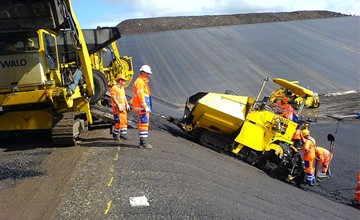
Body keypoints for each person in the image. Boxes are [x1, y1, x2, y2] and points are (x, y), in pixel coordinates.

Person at [132, 65, 153, 149]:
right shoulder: (140, 82)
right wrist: (144, 106)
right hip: (142, 107)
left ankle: (142, 142)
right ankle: (142, 143)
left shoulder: (141, 82)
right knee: (143, 124)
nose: (149, 75)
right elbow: (141, 95)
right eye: (147, 73)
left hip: (143, 107)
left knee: (144, 124)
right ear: (143, 72)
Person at [110, 74, 130, 140]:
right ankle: (115, 134)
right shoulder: (114, 88)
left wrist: (127, 104)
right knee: (118, 122)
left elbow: (124, 97)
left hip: (123, 108)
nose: (125, 82)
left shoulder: (122, 88)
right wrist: (118, 105)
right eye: (124, 81)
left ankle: (123, 134)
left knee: (124, 121)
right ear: (120, 80)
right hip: (117, 109)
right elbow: (113, 98)